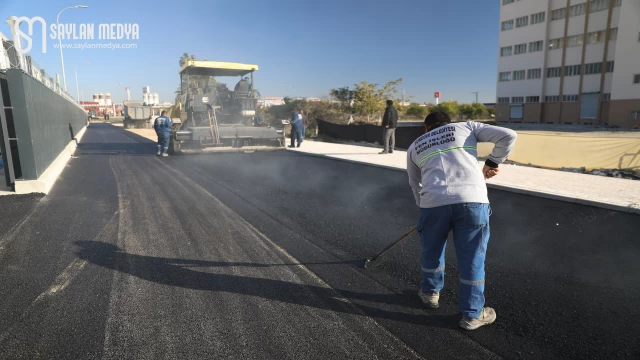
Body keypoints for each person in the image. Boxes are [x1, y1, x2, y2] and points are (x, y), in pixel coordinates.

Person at [407, 112, 517, 331]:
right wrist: (492, 162)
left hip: (432, 204)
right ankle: (472, 315)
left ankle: (429, 294)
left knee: (432, 251)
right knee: (472, 258)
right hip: (472, 201)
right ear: (448, 123)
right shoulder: (466, 127)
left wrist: (426, 208)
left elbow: (414, 183)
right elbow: (508, 135)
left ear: (426, 127)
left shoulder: (415, 146)